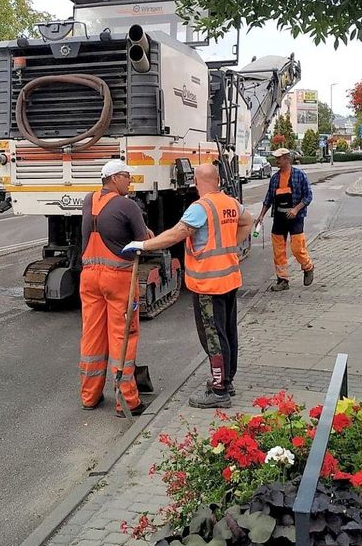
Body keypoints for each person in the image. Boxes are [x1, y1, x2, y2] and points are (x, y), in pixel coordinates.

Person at [122, 163, 252, 408]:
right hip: (229, 279)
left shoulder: (200, 208)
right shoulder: (230, 203)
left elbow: (176, 234)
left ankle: (219, 391)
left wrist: (143, 245)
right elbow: (248, 221)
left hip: (208, 284)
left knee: (213, 337)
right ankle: (226, 380)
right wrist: (231, 247)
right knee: (228, 333)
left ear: (196, 181)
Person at [78, 159, 154, 417]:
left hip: (89, 277)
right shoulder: (127, 205)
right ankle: (128, 401)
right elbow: (142, 241)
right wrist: (149, 235)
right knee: (123, 337)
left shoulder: (89, 200)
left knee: (92, 336)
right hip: (118, 279)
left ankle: (89, 396)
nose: (130, 181)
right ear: (114, 178)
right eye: (127, 176)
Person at [253, 147, 314, 291]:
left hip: (296, 218)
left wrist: (296, 209)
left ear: (287, 158)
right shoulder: (275, 178)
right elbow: (269, 198)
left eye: (279, 158)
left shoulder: (300, 175)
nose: (276, 161)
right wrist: (261, 216)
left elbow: (308, 196)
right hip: (279, 218)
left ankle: (308, 267)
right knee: (278, 249)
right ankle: (282, 280)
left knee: (297, 248)